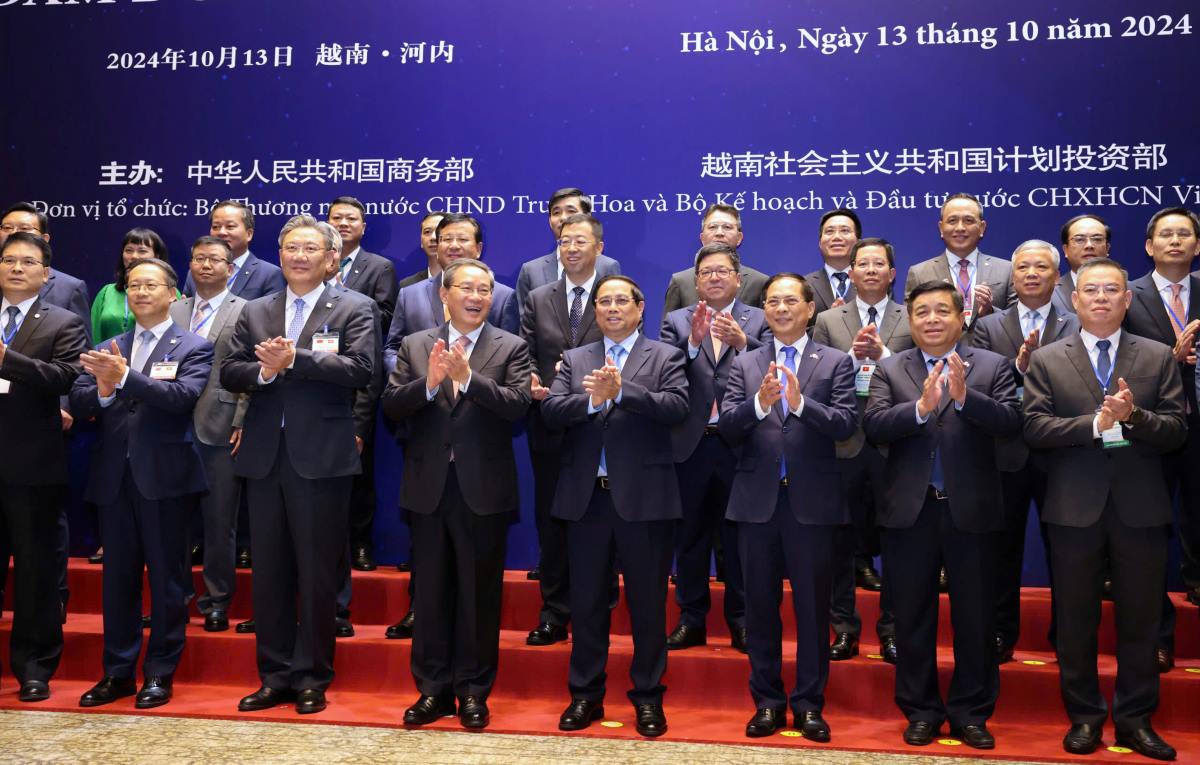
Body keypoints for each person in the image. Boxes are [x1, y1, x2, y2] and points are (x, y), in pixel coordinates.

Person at [1024, 257, 1186, 761]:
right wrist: (1095, 425)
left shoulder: (1157, 356)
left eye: (1111, 290)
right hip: (1073, 510)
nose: (1100, 298)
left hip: (1141, 509)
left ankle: (1136, 721)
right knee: (1076, 621)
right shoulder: (1047, 358)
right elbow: (1034, 428)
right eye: (1090, 290)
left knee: (1141, 621)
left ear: (1127, 298)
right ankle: (1085, 718)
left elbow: (1177, 430)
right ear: (1074, 300)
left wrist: (1134, 416)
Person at [222, 215, 375, 716]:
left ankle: (311, 676)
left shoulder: (354, 306)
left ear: (331, 258)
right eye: (291, 247)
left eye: (310, 248)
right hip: (265, 455)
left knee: (315, 573)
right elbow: (231, 371)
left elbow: (362, 369)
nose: (299, 256)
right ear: (280, 254)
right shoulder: (256, 309)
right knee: (269, 573)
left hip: (322, 457)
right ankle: (274, 675)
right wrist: (266, 372)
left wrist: (296, 360)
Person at [863, 280, 1021, 750]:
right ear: (910, 321)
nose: (931, 319)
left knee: (976, 617)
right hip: (910, 513)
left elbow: (1011, 422)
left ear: (960, 317)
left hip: (971, 510)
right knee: (912, 617)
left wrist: (966, 397)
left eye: (941, 311)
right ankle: (921, 710)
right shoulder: (891, 368)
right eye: (922, 312)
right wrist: (920, 408)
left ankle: (971, 712)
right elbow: (873, 426)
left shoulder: (992, 365)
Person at [383, 259, 532, 730]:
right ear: (444, 295)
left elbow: (517, 407)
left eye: (484, 290)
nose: (476, 296)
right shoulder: (415, 344)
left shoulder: (511, 346)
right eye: (466, 288)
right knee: (430, 595)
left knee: (478, 595)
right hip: (428, 487)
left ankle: (472, 691)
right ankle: (432, 690)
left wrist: (468, 379)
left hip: (483, 490)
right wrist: (428, 384)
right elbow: (392, 406)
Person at [543, 275, 688, 738]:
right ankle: (585, 695)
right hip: (587, 500)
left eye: (620, 300)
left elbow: (676, 407)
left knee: (647, 605)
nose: (611, 308)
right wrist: (592, 400)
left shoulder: (664, 356)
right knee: (586, 604)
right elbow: (551, 412)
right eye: (603, 301)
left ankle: (648, 697)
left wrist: (623, 391)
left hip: (645, 500)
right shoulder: (576, 358)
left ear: (640, 308)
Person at [71, 258, 213, 710]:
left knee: (168, 581)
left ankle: (159, 672)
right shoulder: (108, 345)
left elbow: (181, 398)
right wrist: (104, 390)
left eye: (150, 285)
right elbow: (79, 398)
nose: (141, 292)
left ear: (173, 294)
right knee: (118, 581)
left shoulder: (194, 346)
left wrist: (125, 377)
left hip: (166, 479)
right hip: (114, 478)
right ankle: (117, 673)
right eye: (133, 285)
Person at [720, 272, 857, 741]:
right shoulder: (745, 363)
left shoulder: (835, 361)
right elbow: (728, 427)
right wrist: (759, 405)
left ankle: (809, 704)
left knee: (814, 611)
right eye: (773, 302)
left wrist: (801, 405)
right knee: (760, 609)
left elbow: (845, 424)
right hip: (756, 504)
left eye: (790, 301)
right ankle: (768, 703)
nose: (781, 309)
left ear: (810, 308)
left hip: (812, 506)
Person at [659, 242, 771, 654]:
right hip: (692, 444)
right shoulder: (677, 320)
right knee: (690, 537)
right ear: (696, 281)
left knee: (738, 540)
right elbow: (662, 369)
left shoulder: (760, 319)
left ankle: (741, 621)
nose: (714, 277)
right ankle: (691, 619)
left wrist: (744, 343)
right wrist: (692, 343)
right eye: (706, 272)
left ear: (738, 279)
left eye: (722, 271)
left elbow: (775, 367)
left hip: (740, 444)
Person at [970, 240, 1079, 663]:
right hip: (1005, 452)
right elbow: (982, 383)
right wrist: (1018, 367)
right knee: (1002, 551)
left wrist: (1039, 369)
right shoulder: (988, 326)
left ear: (1057, 276)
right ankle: (1001, 632)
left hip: (1062, 453)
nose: (1032, 274)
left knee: (1066, 552)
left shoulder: (1075, 323)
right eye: (1023, 268)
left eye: (1041, 267)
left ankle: (1067, 636)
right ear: (1011, 277)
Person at [812, 238, 912, 665]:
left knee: (897, 543)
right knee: (840, 542)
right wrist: (850, 360)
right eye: (863, 264)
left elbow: (918, 375)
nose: (871, 270)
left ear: (893, 273)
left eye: (879, 264)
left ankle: (892, 631)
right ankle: (844, 629)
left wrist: (883, 356)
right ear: (850, 273)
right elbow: (815, 377)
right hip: (844, 443)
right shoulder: (827, 320)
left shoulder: (913, 315)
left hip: (895, 444)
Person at [0, 233, 88, 702]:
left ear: (45, 273)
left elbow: (66, 377)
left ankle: (34, 667)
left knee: (36, 572)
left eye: (28, 262)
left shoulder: (63, 321)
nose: (17, 268)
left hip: (32, 464)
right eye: (8, 259)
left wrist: (7, 360)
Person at [520, 213, 611, 647]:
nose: (571, 248)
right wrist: (530, 378)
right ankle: (554, 612)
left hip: (600, 426)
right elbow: (523, 348)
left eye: (580, 241)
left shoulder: (615, 294)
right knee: (553, 521)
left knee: (600, 522)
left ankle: (599, 611)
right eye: (564, 241)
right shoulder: (540, 297)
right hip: (551, 422)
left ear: (599, 248)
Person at [1123, 207, 1200, 635]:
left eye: (1183, 234)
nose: (1175, 241)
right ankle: (1155, 629)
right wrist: (1169, 360)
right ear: (1149, 246)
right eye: (1165, 235)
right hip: (1149, 423)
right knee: (1150, 522)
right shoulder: (1127, 295)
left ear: (1197, 245)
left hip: (1199, 422)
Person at [168, 236, 249, 633]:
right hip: (170, 427)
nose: (205, 265)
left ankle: (216, 601)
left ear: (230, 269)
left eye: (214, 260)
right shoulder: (172, 308)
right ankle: (174, 599)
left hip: (221, 425)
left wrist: (242, 419)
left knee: (219, 523)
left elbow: (249, 370)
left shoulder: (246, 310)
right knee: (173, 522)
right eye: (198, 258)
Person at [328, 195, 399, 572]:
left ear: (363, 226)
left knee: (360, 470)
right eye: (336, 217)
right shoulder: (312, 264)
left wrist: (346, 298)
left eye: (351, 218)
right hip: (315, 378)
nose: (343, 223)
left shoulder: (379, 266)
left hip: (358, 378)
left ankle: (360, 543)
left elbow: (386, 316)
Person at [383, 213, 519, 374]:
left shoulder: (503, 297)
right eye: (447, 239)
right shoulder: (409, 295)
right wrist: (415, 380)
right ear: (437, 247)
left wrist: (471, 381)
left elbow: (510, 353)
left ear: (478, 249)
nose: (454, 245)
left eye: (462, 239)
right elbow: (392, 349)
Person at [903, 193, 1015, 338]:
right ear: (941, 228)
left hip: (992, 350)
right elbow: (911, 323)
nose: (960, 227)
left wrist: (990, 311)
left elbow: (1016, 320)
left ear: (982, 228)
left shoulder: (1006, 270)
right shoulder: (920, 273)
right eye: (952, 221)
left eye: (968, 220)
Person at [515, 188, 621, 312]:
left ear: (587, 217)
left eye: (571, 211)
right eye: (556, 213)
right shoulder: (531, 271)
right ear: (549, 221)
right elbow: (524, 321)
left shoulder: (607, 266)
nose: (563, 218)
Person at [660, 204, 769, 318]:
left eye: (727, 227)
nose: (719, 233)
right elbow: (669, 328)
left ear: (739, 238)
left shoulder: (759, 282)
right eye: (712, 227)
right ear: (702, 238)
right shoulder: (680, 281)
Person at [184, 200, 287, 300]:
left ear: (249, 234)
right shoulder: (197, 271)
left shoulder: (270, 274)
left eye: (230, 226)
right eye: (216, 227)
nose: (222, 232)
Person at [89, 228, 174, 343]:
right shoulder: (106, 292)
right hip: (106, 353)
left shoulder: (168, 292)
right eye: (129, 250)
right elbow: (93, 334)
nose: (134, 256)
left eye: (142, 251)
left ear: (157, 256)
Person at [803, 209, 861, 322]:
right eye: (830, 232)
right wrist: (828, 324)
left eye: (845, 231)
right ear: (820, 243)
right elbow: (796, 329)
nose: (837, 237)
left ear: (858, 243)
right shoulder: (804, 284)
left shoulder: (873, 282)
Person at [1056, 214, 1112, 313]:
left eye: (1097, 239)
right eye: (1079, 240)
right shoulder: (1049, 292)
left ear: (1107, 248)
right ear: (1065, 250)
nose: (1089, 245)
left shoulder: (1129, 289)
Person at [398, 211, 446, 289]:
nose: (433, 237)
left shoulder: (464, 280)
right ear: (421, 242)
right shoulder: (407, 285)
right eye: (427, 232)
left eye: (439, 231)